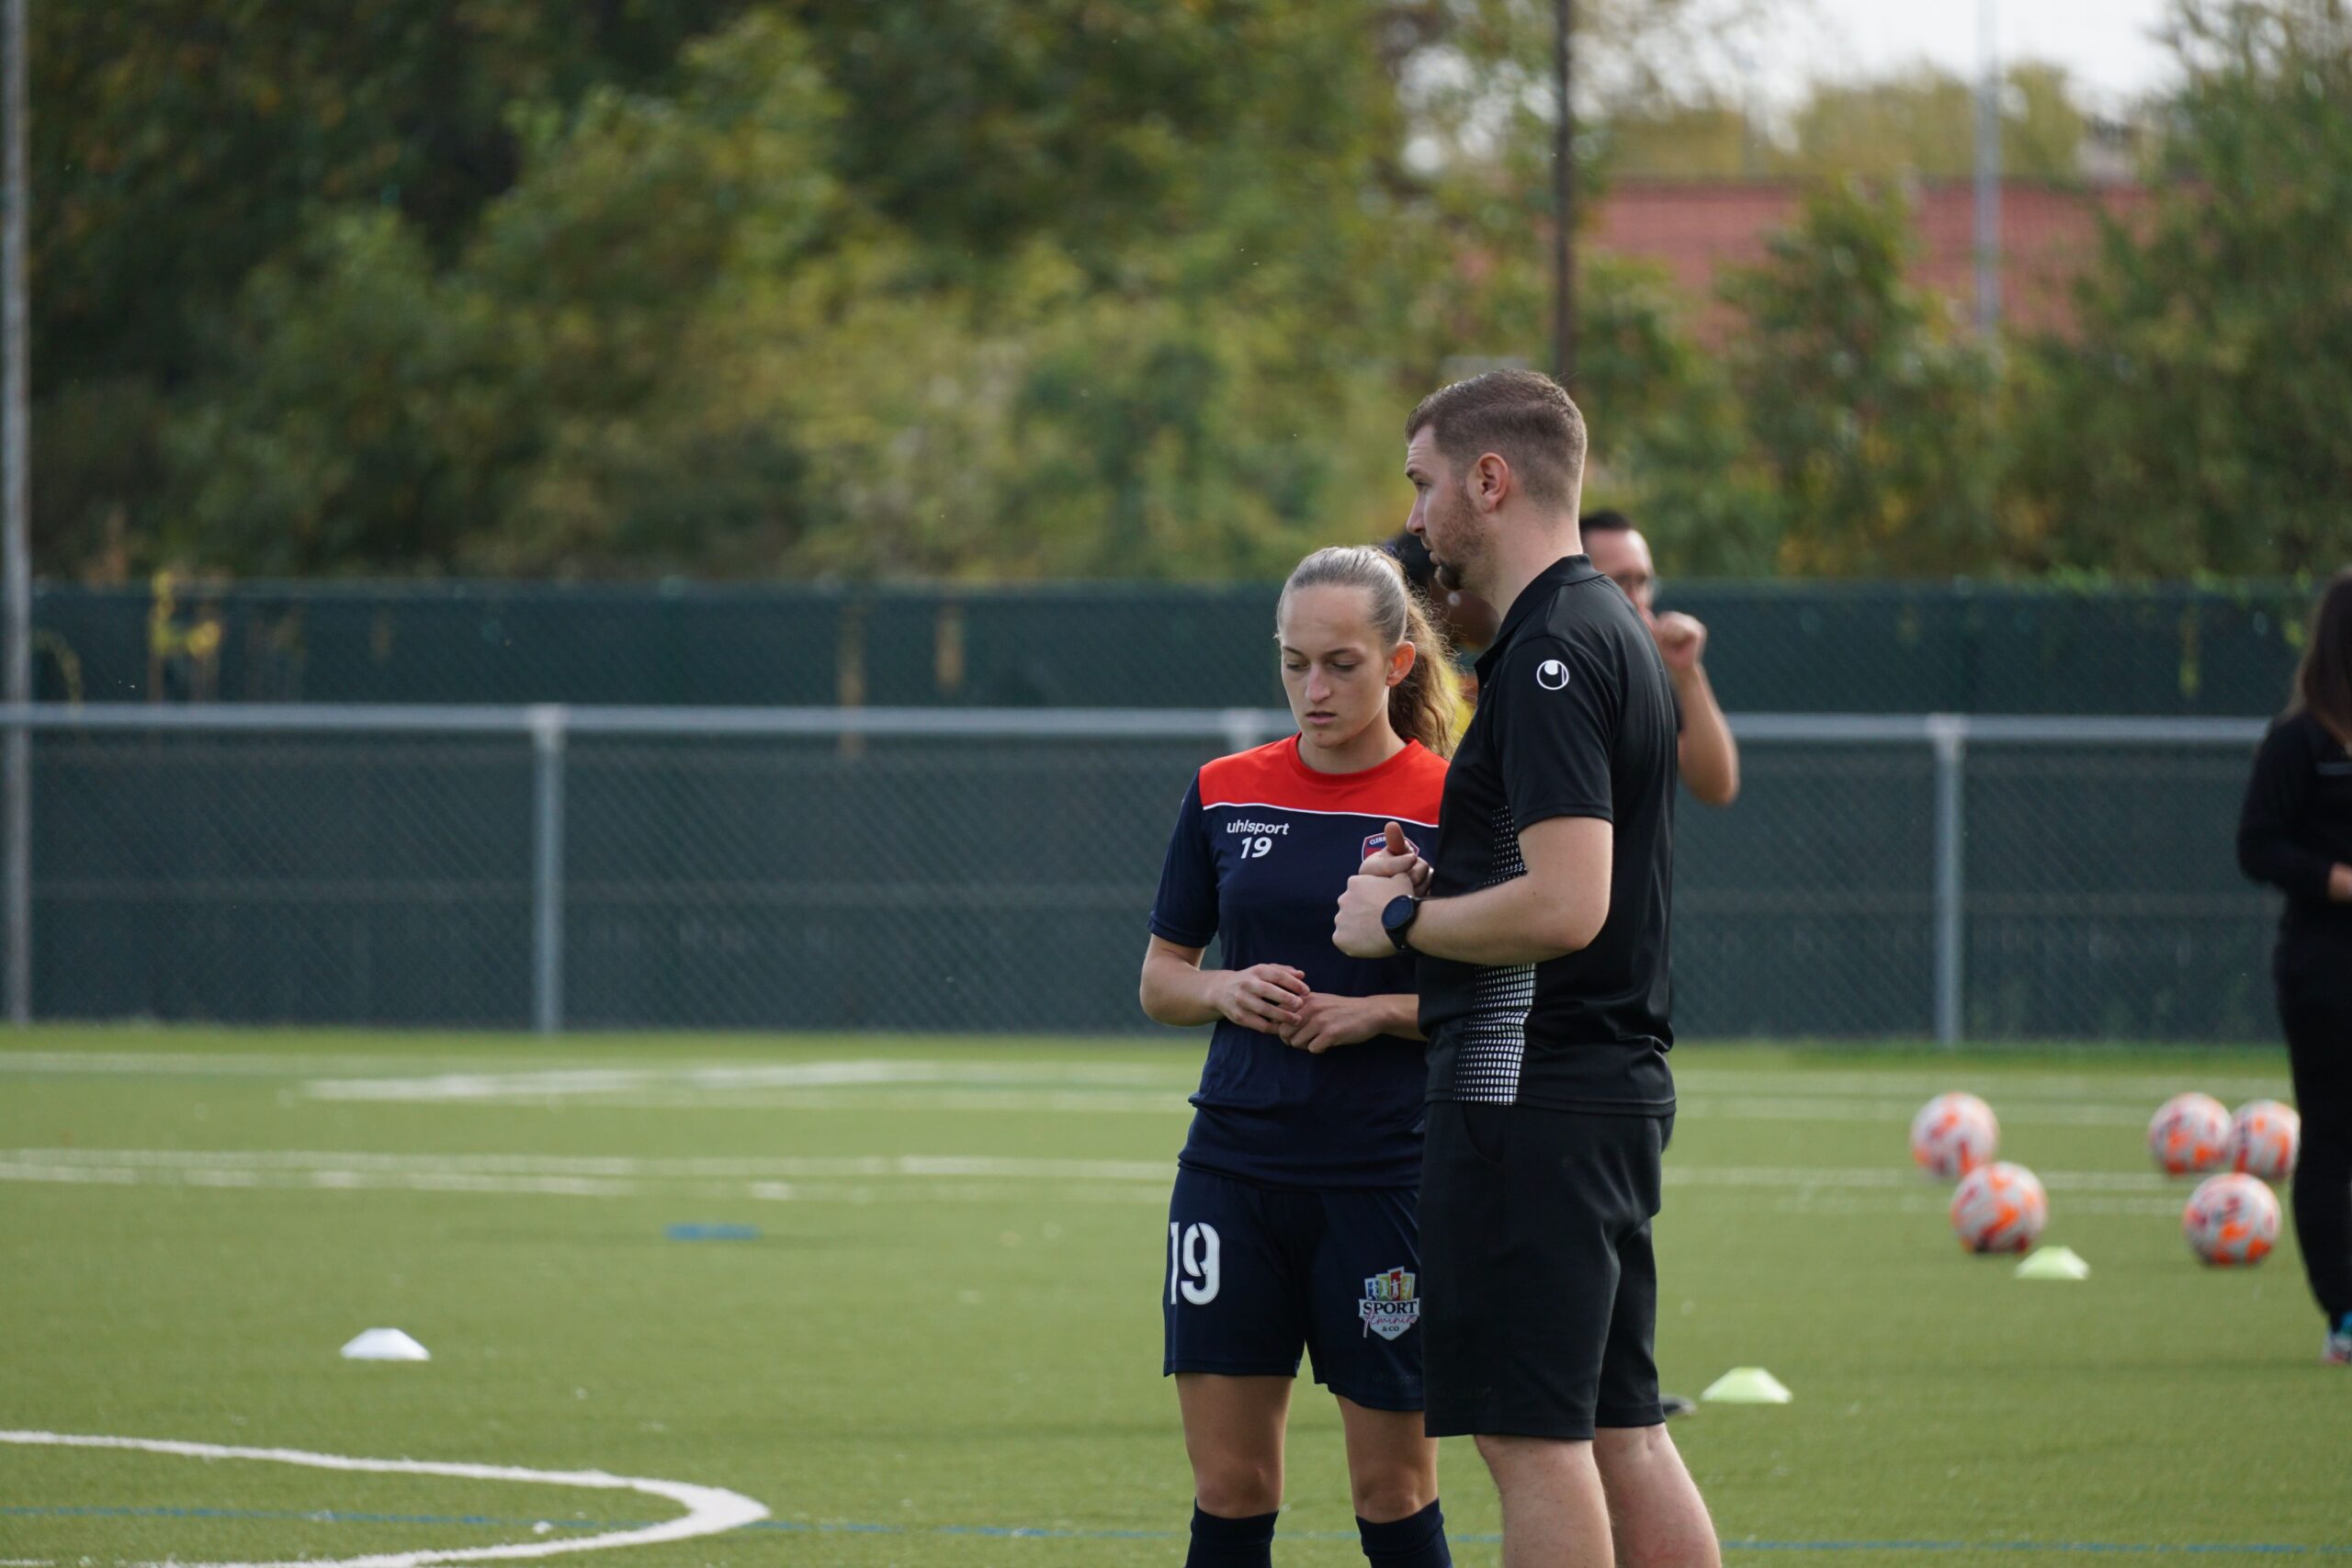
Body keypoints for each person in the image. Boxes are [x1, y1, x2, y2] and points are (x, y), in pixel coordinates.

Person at [1335, 369, 1720, 1568]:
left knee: (1530, 1438)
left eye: (1424, 481)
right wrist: (1441, 880)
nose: (1418, 513)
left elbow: (1565, 904)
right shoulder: (1600, 626)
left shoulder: (1554, 648)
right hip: (1595, 1091)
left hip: (1529, 1096)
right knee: (1621, 1428)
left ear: (1488, 480)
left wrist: (1398, 924)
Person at [1141, 545, 1462, 1568]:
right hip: (1233, 1174)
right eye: (1293, 664)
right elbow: (1160, 978)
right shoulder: (1225, 791)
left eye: (1340, 664)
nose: (1312, 690)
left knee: (1393, 1491)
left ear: (1397, 665)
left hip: (1384, 1177)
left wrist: (1374, 1016)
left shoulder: (1447, 803)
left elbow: (1500, 1002)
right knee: (1231, 1489)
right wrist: (1224, 990)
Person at [2234, 569, 2352, 1368]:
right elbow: (2257, 844)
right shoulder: (2300, 741)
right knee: (2333, 1140)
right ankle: (2345, 1313)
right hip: (2325, 968)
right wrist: (2337, 880)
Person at [1580, 511, 1740, 807]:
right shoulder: (1550, 665)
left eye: (1644, 582)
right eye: (1622, 582)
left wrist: (1687, 672)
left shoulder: (1645, 676)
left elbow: (1717, 786)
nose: (1638, 598)